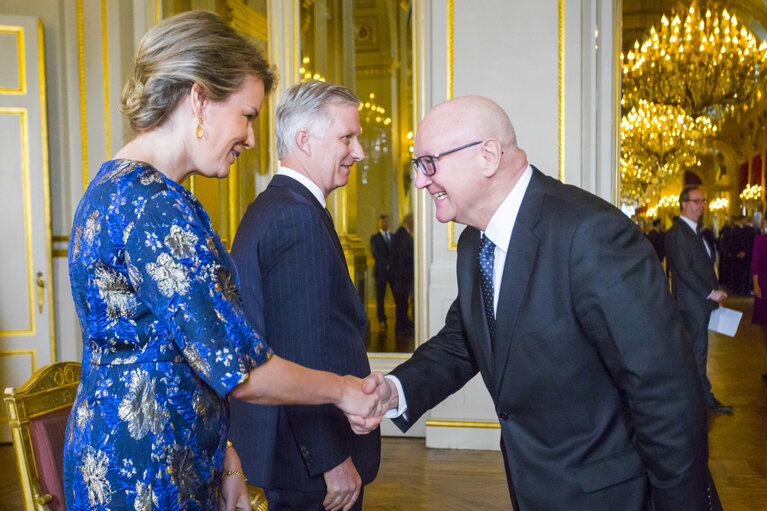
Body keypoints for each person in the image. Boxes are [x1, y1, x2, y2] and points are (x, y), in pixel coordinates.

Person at [63, 13, 382, 511]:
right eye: (248, 115)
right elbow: (242, 371)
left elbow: (184, 355)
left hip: (146, 452)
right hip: (149, 471)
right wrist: (343, 390)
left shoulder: (116, 186)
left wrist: (228, 459)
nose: (252, 139)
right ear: (199, 99)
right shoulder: (156, 207)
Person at [353, 95, 718, 510]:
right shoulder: (476, 241)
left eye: (429, 164)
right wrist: (395, 390)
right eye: (419, 167)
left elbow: (665, 392)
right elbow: (464, 341)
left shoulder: (590, 234)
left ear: (488, 155)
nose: (420, 182)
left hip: (617, 496)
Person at [228, 80, 380, 511]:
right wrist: (331, 460)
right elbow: (301, 352)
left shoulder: (271, 207)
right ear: (304, 140)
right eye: (347, 137)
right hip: (307, 466)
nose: (359, 151)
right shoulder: (297, 217)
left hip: (288, 455)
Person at [665, 186, 732, 415]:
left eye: (703, 201)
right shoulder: (677, 233)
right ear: (683, 204)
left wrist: (714, 297)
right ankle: (698, 401)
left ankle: (702, 398)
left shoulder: (696, 232)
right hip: (690, 305)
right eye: (696, 201)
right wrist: (709, 293)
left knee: (698, 353)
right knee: (695, 354)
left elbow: (705, 268)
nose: (701, 205)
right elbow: (684, 270)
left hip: (701, 303)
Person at [391, 213, 414, 335]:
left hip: (402, 277)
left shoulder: (403, 233)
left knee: (403, 304)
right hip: (401, 277)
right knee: (401, 304)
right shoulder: (402, 235)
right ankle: (401, 329)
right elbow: (405, 255)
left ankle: (403, 325)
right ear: (410, 222)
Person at [370, 214, 394, 328]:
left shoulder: (393, 237)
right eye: (383, 222)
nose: (385, 224)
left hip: (393, 273)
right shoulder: (374, 238)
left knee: (398, 297)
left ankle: (400, 320)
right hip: (381, 272)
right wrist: (387, 265)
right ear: (379, 223)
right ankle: (381, 320)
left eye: (386, 222)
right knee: (380, 298)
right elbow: (376, 254)